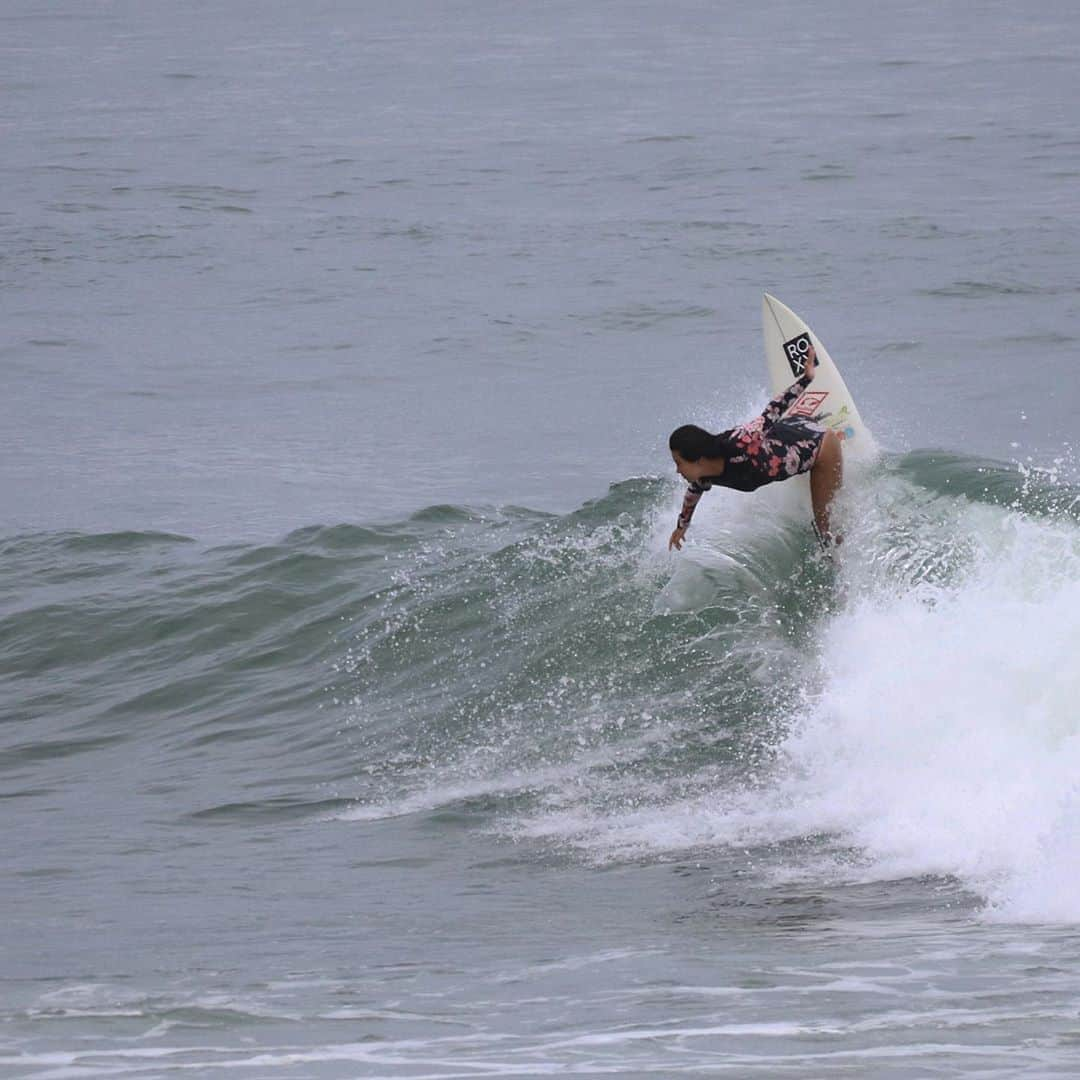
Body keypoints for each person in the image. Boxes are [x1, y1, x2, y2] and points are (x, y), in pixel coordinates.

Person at [668, 343, 843, 550]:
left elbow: (772, 411)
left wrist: (807, 378)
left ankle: (832, 434)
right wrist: (681, 527)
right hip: (789, 434)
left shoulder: (740, 442)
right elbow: (691, 497)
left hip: (820, 450)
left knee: (826, 532)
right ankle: (815, 421)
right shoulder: (703, 476)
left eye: (679, 463)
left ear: (698, 459)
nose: (677, 470)